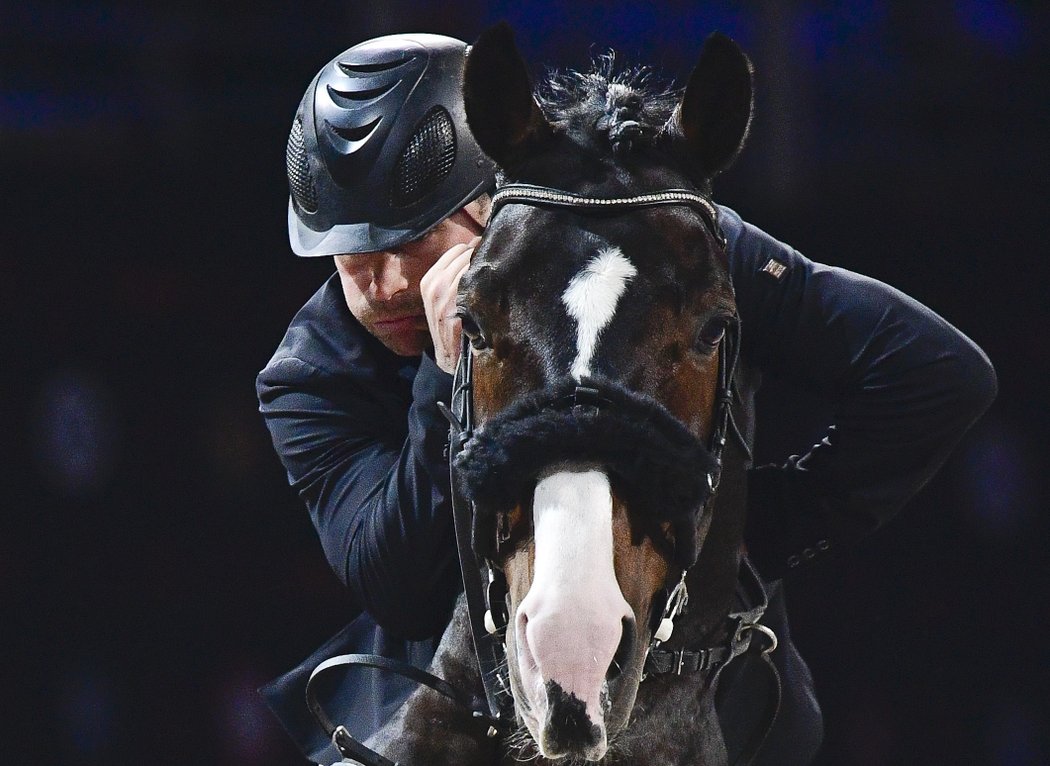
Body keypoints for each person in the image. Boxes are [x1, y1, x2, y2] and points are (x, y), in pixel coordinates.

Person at [257, 33, 997, 765]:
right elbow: (403, 587)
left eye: (412, 245)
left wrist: (753, 532)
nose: (386, 286)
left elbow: (934, 374)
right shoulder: (309, 376)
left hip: (708, 701)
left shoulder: (667, 246)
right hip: (449, 705)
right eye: (354, 261)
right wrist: (445, 366)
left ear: (489, 205)